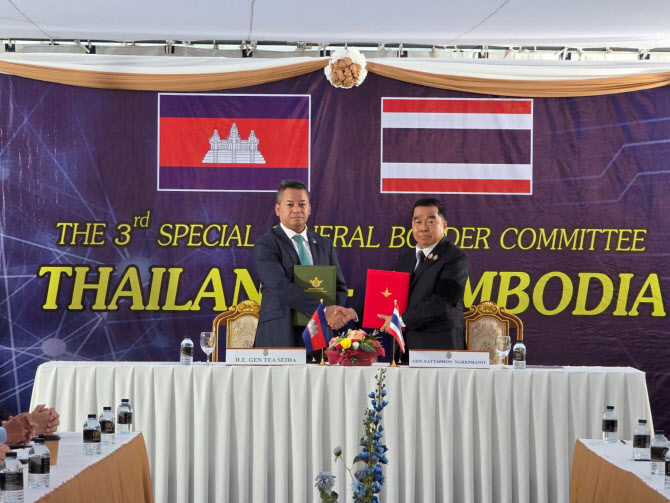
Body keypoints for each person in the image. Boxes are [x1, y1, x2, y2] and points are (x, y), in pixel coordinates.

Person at [253, 180, 356, 348]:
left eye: (302, 204)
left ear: (309, 208)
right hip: (280, 334)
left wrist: (334, 313)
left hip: (321, 334)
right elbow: (279, 285)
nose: (297, 210)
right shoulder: (266, 244)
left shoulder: (324, 244)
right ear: (278, 209)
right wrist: (323, 311)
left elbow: (339, 287)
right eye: (290, 205)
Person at [379, 198, 469, 350]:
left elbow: (443, 300)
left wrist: (401, 320)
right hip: (406, 344)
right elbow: (392, 296)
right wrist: (353, 313)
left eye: (430, 221)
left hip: (441, 345)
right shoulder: (406, 258)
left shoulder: (455, 257)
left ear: (444, 225)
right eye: (418, 222)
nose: (423, 228)